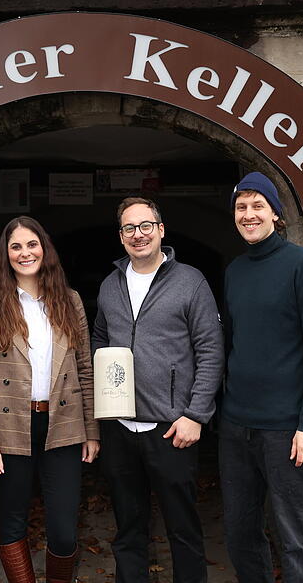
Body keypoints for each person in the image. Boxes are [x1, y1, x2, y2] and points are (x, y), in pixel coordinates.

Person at [92, 197, 224, 583]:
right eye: (129, 228)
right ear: (121, 236)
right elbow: (100, 336)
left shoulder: (190, 281)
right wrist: (106, 384)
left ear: (161, 230)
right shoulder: (110, 284)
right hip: (119, 427)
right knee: (128, 529)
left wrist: (196, 415)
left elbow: (211, 351)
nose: (139, 234)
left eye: (146, 225)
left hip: (172, 428)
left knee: (182, 527)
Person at [0, 216, 99, 583]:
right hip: (10, 427)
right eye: (16, 246)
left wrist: (92, 431)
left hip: (64, 424)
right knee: (12, 522)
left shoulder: (69, 301)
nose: (25, 253)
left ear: (45, 249)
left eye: (32, 244)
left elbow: (85, 369)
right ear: (5, 255)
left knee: (62, 527)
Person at [219, 172, 303, 583]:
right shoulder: (234, 271)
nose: (248, 215)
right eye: (241, 207)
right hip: (236, 427)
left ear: (275, 214)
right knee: (239, 533)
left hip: (287, 430)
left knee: (298, 537)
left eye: (257, 206)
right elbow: (232, 344)